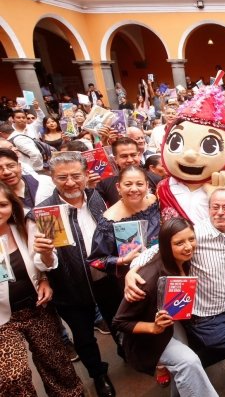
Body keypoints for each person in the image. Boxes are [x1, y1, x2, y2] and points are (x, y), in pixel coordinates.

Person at [126, 189, 225, 395]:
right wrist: (132, 272)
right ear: (209, 208)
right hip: (203, 317)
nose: (220, 212)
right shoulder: (195, 234)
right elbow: (157, 250)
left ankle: (185, 368)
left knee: (214, 350)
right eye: (215, 207)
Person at [29, 152, 119, 397]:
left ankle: (128, 353)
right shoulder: (44, 213)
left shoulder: (96, 198)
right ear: (52, 178)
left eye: (76, 176)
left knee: (117, 322)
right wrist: (45, 254)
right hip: (70, 287)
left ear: (86, 175)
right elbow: (42, 262)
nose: (70, 183)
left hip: (106, 279)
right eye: (62, 177)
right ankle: (98, 375)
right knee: (83, 336)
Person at [112, 217, 218, 397]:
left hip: (170, 322)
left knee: (185, 364)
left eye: (191, 239)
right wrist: (153, 328)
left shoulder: (183, 259)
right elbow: (119, 322)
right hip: (146, 336)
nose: (188, 247)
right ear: (166, 246)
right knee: (188, 362)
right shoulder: (147, 280)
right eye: (179, 243)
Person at [0, 181, 83, 396]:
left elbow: (43, 263)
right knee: (13, 376)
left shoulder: (24, 226)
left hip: (37, 307)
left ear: (12, 206)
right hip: (3, 319)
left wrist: (44, 276)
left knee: (57, 362)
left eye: (2, 205)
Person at [88, 166, 160, 276]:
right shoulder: (109, 220)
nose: (134, 189)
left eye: (139, 184)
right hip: (134, 276)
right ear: (118, 187)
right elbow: (96, 260)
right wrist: (122, 260)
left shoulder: (154, 201)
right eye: (128, 184)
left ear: (147, 186)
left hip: (163, 266)